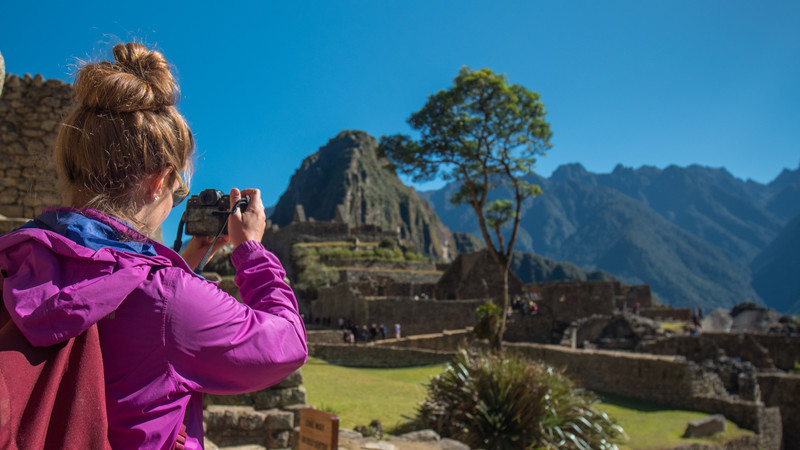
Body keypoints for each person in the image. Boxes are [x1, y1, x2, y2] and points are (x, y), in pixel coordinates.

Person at [0, 43, 307, 449]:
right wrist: (251, 250)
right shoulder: (168, 300)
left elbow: (98, 274)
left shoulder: (14, 257)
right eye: (178, 189)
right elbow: (287, 343)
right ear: (158, 181)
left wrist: (179, 266)